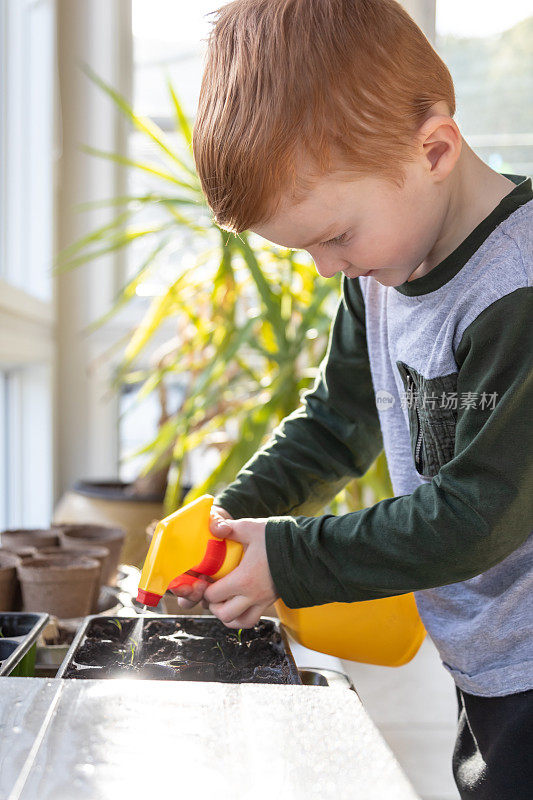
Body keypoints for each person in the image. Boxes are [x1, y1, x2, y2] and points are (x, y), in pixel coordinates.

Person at [174, 1, 532, 797]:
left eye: (333, 237)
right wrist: (234, 517)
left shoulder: (519, 285)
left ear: (434, 148)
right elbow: (337, 424)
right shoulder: (381, 276)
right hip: (490, 661)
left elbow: (478, 512)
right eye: (303, 248)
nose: (326, 267)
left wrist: (294, 559)